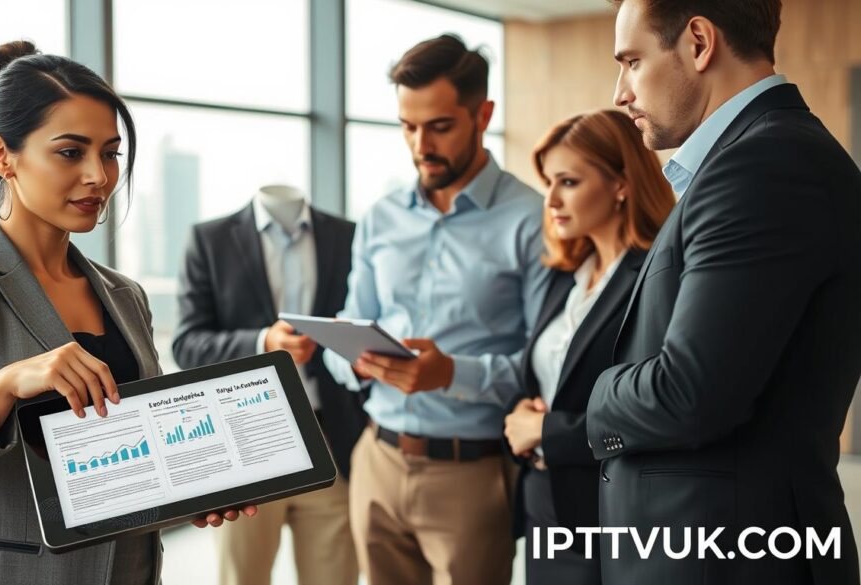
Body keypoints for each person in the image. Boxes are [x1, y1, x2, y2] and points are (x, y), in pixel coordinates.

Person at [0, 41, 253, 585]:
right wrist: (5, 385)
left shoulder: (124, 294)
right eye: (70, 152)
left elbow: (124, 458)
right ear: (1, 156)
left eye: (110, 153)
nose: (99, 176)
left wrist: (189, 486)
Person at [585, 1, 861, 583]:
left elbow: (690, 393)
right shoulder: (753, 157)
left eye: (632, 61)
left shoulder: (763, 164)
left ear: (700, 42)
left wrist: (598, 394)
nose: (620, 93)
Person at [323, 34, 549, 584]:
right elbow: (349, 329)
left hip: (470, 473)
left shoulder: (532, 220)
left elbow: (546, 364)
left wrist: (451, 373)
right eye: (408, 126)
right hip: (377, 458)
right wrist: (354, 358)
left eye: (440, 126)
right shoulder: (380, 217)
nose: (421, 144)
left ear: (482, 115)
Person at [503, 109, 675, 584]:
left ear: (622, 183)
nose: (551, 199)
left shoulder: (655, 279)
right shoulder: (566, 278)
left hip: (609, 510)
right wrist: (525, 412)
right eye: (548, 183)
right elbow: (551, 375)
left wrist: (547, 431)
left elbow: (655, 411)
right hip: (545, 498)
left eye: (569, 182)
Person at [172, 184, 367, 585]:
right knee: (243, 575)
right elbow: (187, 344)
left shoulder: (349, 236)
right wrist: (264, 342)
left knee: (335, 576)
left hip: (331, 443)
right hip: (244, 445)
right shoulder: (210, 239)